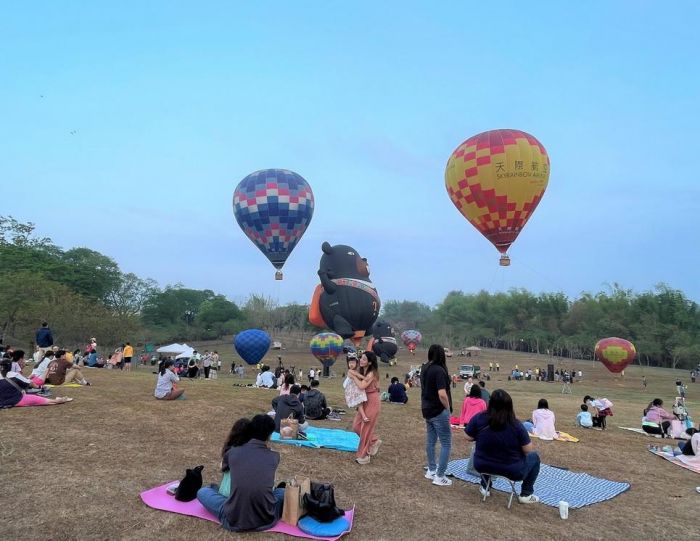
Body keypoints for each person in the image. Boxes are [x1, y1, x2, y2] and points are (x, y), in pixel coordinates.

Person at [197, 414, 284, 532]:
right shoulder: (274, 456)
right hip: (267, 517)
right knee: (282, 492)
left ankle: (215, 491)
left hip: (233, 518)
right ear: (269, 435)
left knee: (203, 491)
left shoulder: (233, 452)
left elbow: (224, 468)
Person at [465, 389, 540, 503]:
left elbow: (468, 436)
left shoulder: (479, 418)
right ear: (509, 406)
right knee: (534, 457)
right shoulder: (516, 425)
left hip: (482, 465)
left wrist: (482, 437)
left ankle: (485, 486)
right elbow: (528, 449)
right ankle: (526, 494)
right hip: (512, 470)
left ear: (490, 403)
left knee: (485, 451)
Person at [421, 344, 453, 486]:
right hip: (438, 410)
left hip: (427, 409)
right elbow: (442, 393)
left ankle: (431, 469)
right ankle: (440, 476)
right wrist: (447, 408)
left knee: (431, 441)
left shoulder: (425, 368)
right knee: (446, 443)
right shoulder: (439, 371)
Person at [349, 351, 382, 465]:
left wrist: (353, 377)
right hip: (363, 400)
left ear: (370, 362)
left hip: (372, 401)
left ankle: (364, 455)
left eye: (364, 359)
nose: (361, 361)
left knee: (365, 429)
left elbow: (362, 385)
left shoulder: (372, 373)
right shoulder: (362, 371)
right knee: (356, 426)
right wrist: (353, 373)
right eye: (361, 358)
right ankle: (374, 441)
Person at [0, 358, 73, 408]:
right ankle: (61, 399)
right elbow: (29, 383)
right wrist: (39, 387)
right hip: (16, 400)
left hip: (2, 402)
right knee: (48, 401)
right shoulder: (14, 374)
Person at [343, 354, 368, 422]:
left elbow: (358, 375)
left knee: (360, 403)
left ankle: (362, 415)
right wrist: (365, 378)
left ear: (356, 364)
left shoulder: (356, 371)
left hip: (356, 389)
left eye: (353, 363)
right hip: (352, 390)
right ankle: (364, 416)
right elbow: (357, 375)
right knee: (360, 403)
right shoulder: (350, 371)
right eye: (350, 363)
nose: (351, 364)